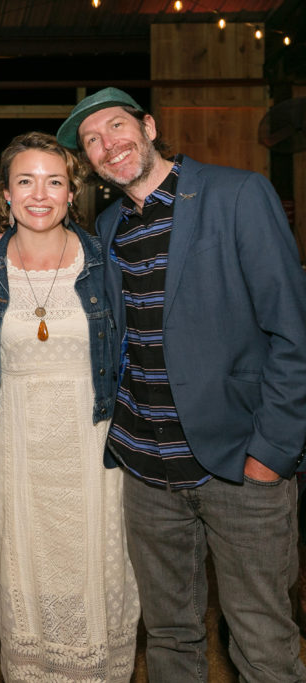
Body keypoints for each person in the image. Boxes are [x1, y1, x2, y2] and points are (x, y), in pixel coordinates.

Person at [57, 88, 306, 680]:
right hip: (146, 469)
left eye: (115, 126)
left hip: (238, 466)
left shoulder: (237, 194)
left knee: (262, 641)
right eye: (91, 141)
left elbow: (294, 335)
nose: (107, 145)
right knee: (169, 639)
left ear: (148, 125)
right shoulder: (112, 223)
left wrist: (270, 455)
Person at [0, 131, 140, 681]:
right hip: (16, 446)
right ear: (6, 195)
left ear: (72, 193)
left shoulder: (104, 260)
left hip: (92, 449)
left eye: (54, 182)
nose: (40, 194)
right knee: (21, 569)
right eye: (26, 181)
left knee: (99, 573)